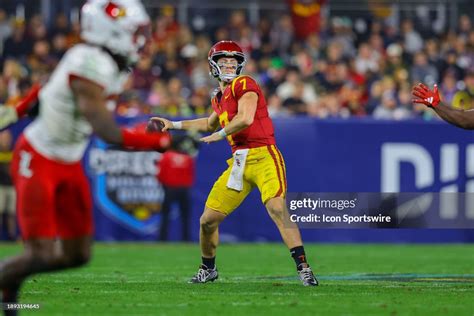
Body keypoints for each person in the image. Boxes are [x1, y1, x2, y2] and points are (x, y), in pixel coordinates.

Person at [0, 1, 170, 313]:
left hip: (68, 160)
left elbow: (48, 86)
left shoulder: (108, 63)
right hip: (38, 157)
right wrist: (154, 140)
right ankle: (6, 279)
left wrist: (20, 107)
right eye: (135, 32)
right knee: (40, 252)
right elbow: (106, 130)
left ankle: (9, 280)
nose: (141, 39)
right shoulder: (89, 62)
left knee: (78, 254)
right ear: (111, 31)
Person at [151, 40, 319, 286]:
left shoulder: (244, 83)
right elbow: (209, 123)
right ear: (213, 66)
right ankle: (208, 268)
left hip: (264, 156)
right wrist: (173, 125)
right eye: (224, 62)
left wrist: (219, 135)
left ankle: (303, 267)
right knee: (207, 220)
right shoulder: (219, 96)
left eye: (233, 61)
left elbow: (246, 118)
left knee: (276, 208)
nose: (229, 65)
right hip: (239, 162)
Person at [157, 134, 198, 241]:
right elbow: (190, 175)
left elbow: (160, 174)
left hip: (170, 189)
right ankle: (186, 239)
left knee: (165, 215)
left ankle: (162, 239)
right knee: (185, 216)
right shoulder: (187, 158)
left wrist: (164, 185)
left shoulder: (166, 156)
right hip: (183, 189)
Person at [0, 129, 16, 240]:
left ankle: (12, 237)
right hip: (0, 187)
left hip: (12, 187)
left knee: (11, 213)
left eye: (7, 137)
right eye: (3, 137)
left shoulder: (14, 150)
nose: (6, 140)